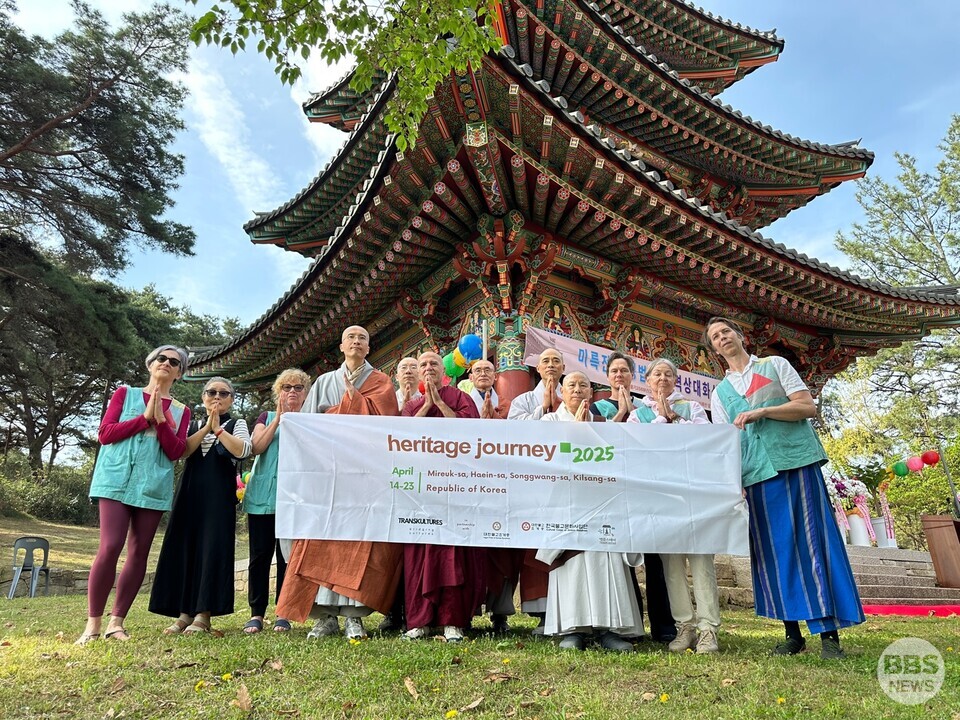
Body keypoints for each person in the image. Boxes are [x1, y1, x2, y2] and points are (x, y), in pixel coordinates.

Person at [704, 316, 863, 659]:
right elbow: (726, 443)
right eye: (715, 337)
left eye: (726, 331)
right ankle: (792, 634)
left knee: (812, 543)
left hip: (796, 461)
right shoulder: (720, 393)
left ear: (740, 335)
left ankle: (829, 635)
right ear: (714, 349)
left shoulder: (775, 365)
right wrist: (733, 484)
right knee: (773, 552)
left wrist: (764, 411)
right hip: (756, 474)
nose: (722, 338)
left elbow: (807, 406)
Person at [276, 326, 402, 641]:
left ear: (369, 348)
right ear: (342, 346)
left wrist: (349, 403)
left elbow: (387, 427)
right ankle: (326, 617)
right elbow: (307, 427)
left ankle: (353, 618)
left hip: (365, 477)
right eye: (351, 338)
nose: (356, 342)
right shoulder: (323, 382)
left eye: (362, 338)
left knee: (359, 544)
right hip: (328, 476)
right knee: (320, 541)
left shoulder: (382, 382)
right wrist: (346, 407)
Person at [76, 346, 191, 645]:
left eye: (174, 362)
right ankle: (92, 625)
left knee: (139, 552)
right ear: (150, 364)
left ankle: (117, 623)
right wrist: (145, 419)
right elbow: (106, 434)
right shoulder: (124, 394)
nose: (166, 363)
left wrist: (161, 421)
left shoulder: (182, 411)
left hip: (152, 483)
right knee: (110, 545)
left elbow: (176, 451)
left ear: (179, 373)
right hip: (114, 479)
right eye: (161, 359)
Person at [538, 372, 642, 652]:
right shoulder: (550, 421)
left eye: (583, 385)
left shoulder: (603, 424)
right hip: (565, 504)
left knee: (604, 563)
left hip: (600, 505)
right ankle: (574, 629)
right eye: (571, 385)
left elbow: (615, 460)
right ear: (562, 392)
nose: (577, 389)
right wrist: (576, 432)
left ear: (591, 393)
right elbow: (544, 458)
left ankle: (610, 629)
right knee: (571, 568)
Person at [627, 357, 719, 654]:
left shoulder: (692, 408)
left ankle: (708, 629)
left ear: (676, 380)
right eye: (657, 374)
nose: (663, 379)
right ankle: (685, 627)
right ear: (647, 381)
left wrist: (675, 420)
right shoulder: (638, 415)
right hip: (660, 496)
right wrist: (660, 421)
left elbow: (708, 441)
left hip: (693, 492)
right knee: (671, 564)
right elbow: (634, 447)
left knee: (701, 561)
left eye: (668, 374)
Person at [149, 376, 252, 634]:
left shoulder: (237, 423)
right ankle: (184, 613)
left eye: (224, 393)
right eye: (211, 392)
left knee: (212, 548)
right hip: (189, 492)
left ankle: (204, 614)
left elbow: (243, 450)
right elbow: (182, 451)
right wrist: (206, 428)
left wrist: (219, 430)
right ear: (203, 397)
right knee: (185, 546)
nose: (217, 397)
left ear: (232, 399)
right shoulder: (192, 423)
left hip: (219, 495)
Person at [590, 351, 677, 644]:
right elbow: (598, 442)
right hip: (615, 487)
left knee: (655, 557)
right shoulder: (598, 406)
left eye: (624, 371)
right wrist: (619, 415)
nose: (619, 375)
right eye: (614, 371)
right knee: (623, 559)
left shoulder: (646, 408)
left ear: (633, 376)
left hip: (647, 484)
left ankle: (664, 625)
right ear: (607, 376)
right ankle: (631, 623)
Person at [400, 351, 486, 642]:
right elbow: (403, 438)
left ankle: (453, 622)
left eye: (433, 363)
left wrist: (439, 404)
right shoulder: (411, 405)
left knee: (453, 552)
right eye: (422, 364)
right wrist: (426, 406)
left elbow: (470, 435)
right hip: (421, 488)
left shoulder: (461, 398)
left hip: (455, 486)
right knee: (419, 553)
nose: (427, 368)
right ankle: (420, 621)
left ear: (444, 370)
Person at [241, 368, 311, 634]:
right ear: (278, 392)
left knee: (287, 558)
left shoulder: (312, 420)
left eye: (298, 387)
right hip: (263, 496)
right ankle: (256, 613)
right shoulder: (266, 417)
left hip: (296, 499)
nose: (292, 391)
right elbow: (257, 446)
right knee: (259, 556)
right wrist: (279, 419)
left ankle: (284, 612)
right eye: (286, 387)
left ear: (305, 393)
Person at [506, 348, 564, 633]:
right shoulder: (523, 400)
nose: (550, 365)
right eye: (545, 361)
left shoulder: (573, 394)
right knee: (536, 542)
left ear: (563, 367)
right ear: (537, 369)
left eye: (556, 361)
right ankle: (542, 612)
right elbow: (513, 432)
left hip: (564, 480)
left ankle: (567, 608)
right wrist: (542, 408)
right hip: (534, 480)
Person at [468, 357, 520, 633]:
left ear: (496, 375)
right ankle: (467, 609)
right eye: (477, 370)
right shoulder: (462, 404)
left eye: (488, 370)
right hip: (469, 483)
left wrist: (495, 420)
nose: (483, 374)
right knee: (470, 550)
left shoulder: (509, 405)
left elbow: (517, 438)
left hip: (501, 484)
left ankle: (500, 614)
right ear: (470, 376)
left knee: (502, 551)